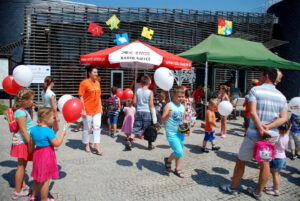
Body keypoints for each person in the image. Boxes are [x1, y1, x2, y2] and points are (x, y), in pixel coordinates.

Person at [220, 67, 288, 200]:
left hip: (253, 134)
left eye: (261, 75)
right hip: (271, 136)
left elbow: (252, 112)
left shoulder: (255, 90)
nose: (260, 77)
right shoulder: (282, 96)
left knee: (241, 160)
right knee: (265, 164)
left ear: (267, 76)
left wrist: (260, 128)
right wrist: (268, 127)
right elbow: (284, 118)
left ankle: (233, 187)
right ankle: (258, 191)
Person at [28, 107, 67, 201]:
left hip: (37, 154)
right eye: (53, 118)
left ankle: (33, 196)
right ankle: (44, 199)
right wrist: (62, 135)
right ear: (46, 118)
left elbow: (30, 144)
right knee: (46, 181)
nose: (54, 120)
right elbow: (57, 144)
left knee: (37, 178)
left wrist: (33, 153)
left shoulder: (33, 129)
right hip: (47, 155)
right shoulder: (49, 131)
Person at [10, 88, 35, 199]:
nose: (32, 101)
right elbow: (24, 130)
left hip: (24, 141)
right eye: (31, 100)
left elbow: (29, 122)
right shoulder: (20, 112)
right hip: (22, 142)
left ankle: (23, 185)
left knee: (23, 165)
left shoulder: (23, 110)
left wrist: (31, 110)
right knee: (21, 166)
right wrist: (30, 143)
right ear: (24, 100)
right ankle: (17, 191)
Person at [126, 75, 157, 150]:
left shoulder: (137, 90)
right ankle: (149, 145)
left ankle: (129, 141)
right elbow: (151, 104)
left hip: (139, 111)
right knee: (148, 129)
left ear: (141, 83)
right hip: (147, 112)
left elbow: (134, 101)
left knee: (136, 128)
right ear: (149, 83)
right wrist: (154, 115)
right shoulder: (150, 92)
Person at [78, 66, 103, 155]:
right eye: (94, 72)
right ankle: (87, 144)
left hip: (97, 109)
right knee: (87, 128)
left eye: (97, 72)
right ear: (89, 73)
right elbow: (81, 96)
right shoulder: (84, 83)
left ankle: (96, 145)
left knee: (97, 126)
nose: (96, 74)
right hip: (87, 110)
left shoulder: (98, 83)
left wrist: (101, 107)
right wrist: (83, 109)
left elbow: (99, 95)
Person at [162, 87, 186, 178]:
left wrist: (185, 129)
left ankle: (177, 168)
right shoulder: (168, 106)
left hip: (180, 132)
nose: (181, 98)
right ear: (174, 95)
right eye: (179, 96)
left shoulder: (182, 107)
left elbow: (183, 120)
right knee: (179, 151)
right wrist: (168, 115)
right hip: (171, 133)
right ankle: (168, 160)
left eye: (182, 96)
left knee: (180, 150)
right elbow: (163, 119)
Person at [264, 121, 290, 197]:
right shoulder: (287, 136)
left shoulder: (277, 136)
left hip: (276, 157)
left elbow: (273, 146)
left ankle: (276, 190)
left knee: (275, 174)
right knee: (278, 174)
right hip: (283, 156)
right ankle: (275, 186)